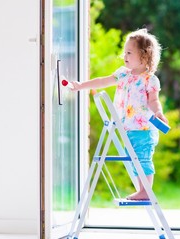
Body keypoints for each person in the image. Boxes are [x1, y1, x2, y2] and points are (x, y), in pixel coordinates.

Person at [70, 28, 168, 200]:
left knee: (142, 158)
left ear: (144, 56)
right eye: (125, 52)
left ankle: (145, 191)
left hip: (144, 128)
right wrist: (81, 85)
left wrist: (158, 112)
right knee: (132, 157)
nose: (125, 56)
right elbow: (103, 81)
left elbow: (153, 100)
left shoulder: (150, 79)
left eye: (129, 52)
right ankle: (142, 189)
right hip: (128, 127)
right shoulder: (123, 73)